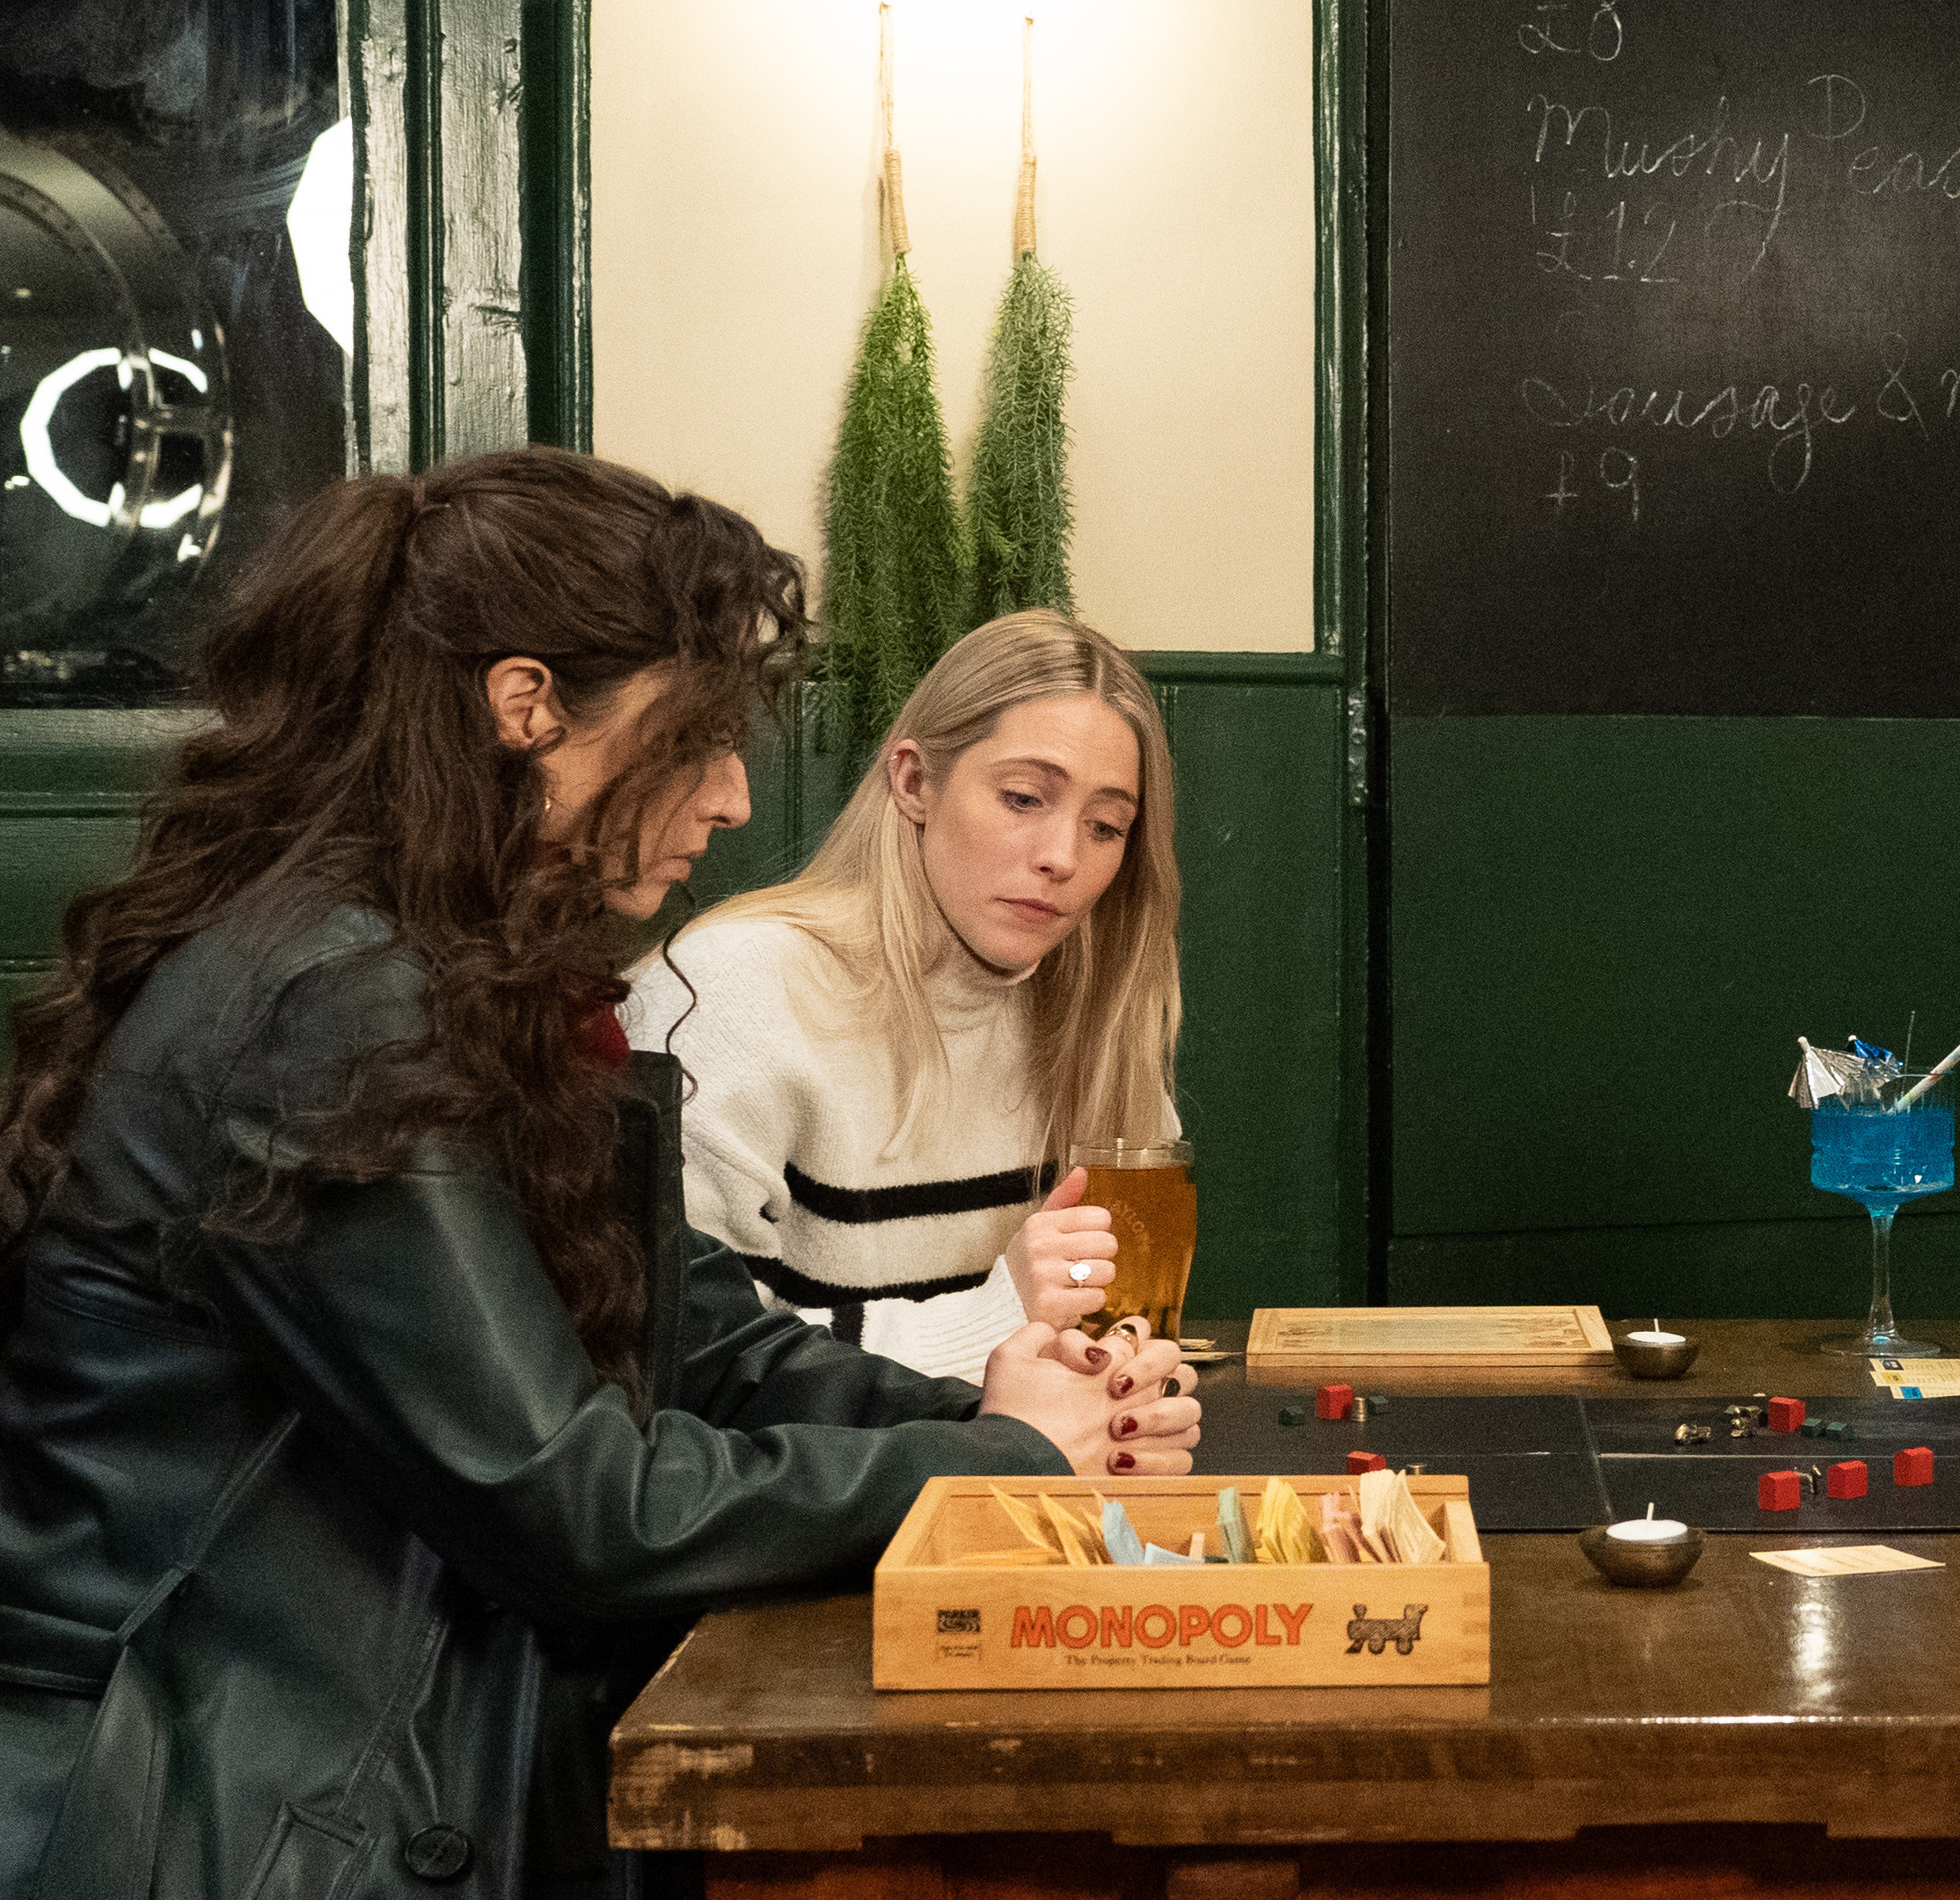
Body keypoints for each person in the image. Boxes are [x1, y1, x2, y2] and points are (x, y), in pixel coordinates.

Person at [0, 451, 1198, 1900]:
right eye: (699, 739)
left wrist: (1013, 1416)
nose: (735, 797)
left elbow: (696, 1338)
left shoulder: (451, 970)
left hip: (341, 1756)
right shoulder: (334, 1001)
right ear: (528, 708)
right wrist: (996, 1464)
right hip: (194, 1810)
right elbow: (574, 1507)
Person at [620, 610, 1180, 1380]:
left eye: (1107, 827)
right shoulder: (725, 990)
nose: (1063, 856)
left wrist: (1116, 1383)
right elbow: (679, 1363)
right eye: (1023, 798)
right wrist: (995, 1317)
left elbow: (1102, 1331)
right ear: (913, 781)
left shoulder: (1098, 1017)